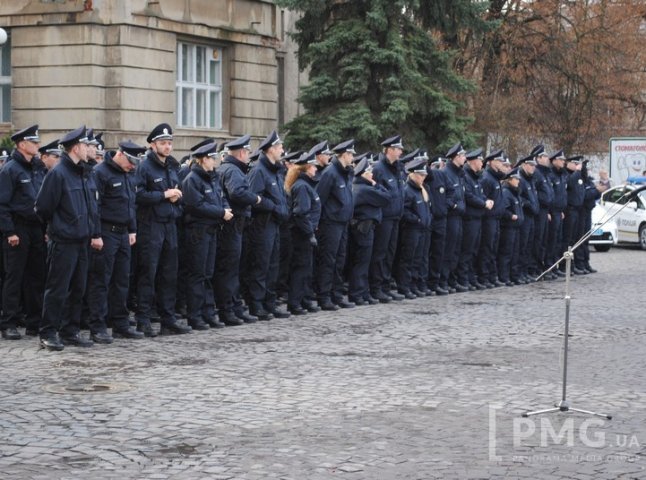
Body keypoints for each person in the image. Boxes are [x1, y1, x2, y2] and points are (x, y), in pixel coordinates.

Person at [35, 126, 98, 351]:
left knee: (78, 288)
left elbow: (91, 206)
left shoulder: (83, 172)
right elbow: (42, 207)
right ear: (75, 147)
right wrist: (58, 228)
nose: (90, 149)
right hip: (63, 241)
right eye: (86, 145)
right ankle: (48, 332)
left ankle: (70, 330)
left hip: (82, 240)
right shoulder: (58, 173)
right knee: (57, 289)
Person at [134, 123, 191, 337]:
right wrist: (163, 195)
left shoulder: (171, 166)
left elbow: (177, 193)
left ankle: (168, 319)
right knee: (148, 273)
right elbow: (138, 196)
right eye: (163, 143)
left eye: (169, 143)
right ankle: (143, 320)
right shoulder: (144, 167)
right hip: (151, 226)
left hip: (170, 224)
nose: (167, 147)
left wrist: (175, 198)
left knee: (169, 274)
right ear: (152, 145)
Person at [87, 140, 147, 342]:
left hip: (123, 233)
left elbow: (131, 204)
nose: (133, 166)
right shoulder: (100, 172)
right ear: (120, 154)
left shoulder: (128, 174)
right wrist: (96, 234)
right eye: (131, 161)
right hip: (105, 231)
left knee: (122, 279)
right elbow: (95, 207)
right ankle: (98, 326)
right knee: (101, 280)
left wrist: (132, 229)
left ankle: (120, 323)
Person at [0, 125, 46, 340]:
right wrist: (9, 231)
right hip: (17, 228)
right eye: (33, 142)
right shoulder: (10, 169)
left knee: (36, 276)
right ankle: (8, 322)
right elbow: (3, 204)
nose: (37, 145)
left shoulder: (37, 167)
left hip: (36, 227)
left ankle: (34, 322)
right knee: (14, 276)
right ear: (21, 145)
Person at [182, 142, 233, 330]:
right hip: (198, 231)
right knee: (197, 274)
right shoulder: (192, 179)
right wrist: (221, 212)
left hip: (211, 230)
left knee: (208, 274)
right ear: (204, 159)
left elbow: (221, 197)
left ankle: (208, 313)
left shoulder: (213, 177)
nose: (216, 161)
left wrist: (225, 208)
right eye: (213, 158)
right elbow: (196, 206)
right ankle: (195, 315)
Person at [213, 135, 264, 325]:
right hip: (232, 224)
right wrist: (256, 199)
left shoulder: (229, 168)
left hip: (235, 224)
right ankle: (228, 309)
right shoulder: (233, 170)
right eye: (247, 152)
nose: (248, 156)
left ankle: (234, 306)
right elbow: (237, 193)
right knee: (229, 269)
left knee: (233, 269)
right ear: (242, 153)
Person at [245, 131, 291, 319]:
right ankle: (256, 305)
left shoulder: (275, 171)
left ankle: (269, 303)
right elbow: (254, 198)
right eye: (280, 147)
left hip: (275, 224)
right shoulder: (258, 171)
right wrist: (272, 207)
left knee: (273, 265)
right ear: (271, 149)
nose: (282, 150)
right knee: (260, 265)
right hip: (262, 224)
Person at [315, 139, 355, 310]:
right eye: (351, 154)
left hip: (343, 223)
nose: (353, 157)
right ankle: (324, 296)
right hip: (330, 224)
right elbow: (319, 199)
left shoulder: (345, 172)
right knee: (328, 260)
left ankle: (336, 295)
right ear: (344, 155)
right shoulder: (330, 173)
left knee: (339, 260)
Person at [347, 157, 390, 305]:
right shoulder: (365, 189)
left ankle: (362, 292)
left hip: (362, 227)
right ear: (363, 174)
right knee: (362, 262)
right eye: (369, 173)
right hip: (364, 228)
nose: (372, 175)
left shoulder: (359, 187)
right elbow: (387, 197)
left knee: (362, 261)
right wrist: (376, 184)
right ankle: (357, 293)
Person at [369, 135, 405, 302]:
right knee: (380, 253)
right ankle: (376, 287)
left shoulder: (398, 168)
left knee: (390, 253)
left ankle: (385, 285)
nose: (400, 152)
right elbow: (375, 194)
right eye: (398, 149)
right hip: (384, 218)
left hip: (396, 217)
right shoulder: (379, 169)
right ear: (389, 149)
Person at [284, 151, 321, 314]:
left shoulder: (305, 185)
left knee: (306, 268)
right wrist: (309, 233)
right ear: (307, 168)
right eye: (313, 166)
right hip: (301, 234)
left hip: (305, 232)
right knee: (300, 268)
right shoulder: (302, 186)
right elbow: (300, 213)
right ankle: (295, 302)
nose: (316, 170)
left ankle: (304, 300)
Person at [395, 156, 432, 297]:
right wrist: (416, 220)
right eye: (421, 175)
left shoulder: (423, 189)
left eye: (424, 175)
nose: (423, 178)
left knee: (419, 258)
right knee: (408, 259)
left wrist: (427, 220)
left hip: (423, 229)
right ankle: (404, 286)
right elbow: (404, 210)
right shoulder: (408, 190)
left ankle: (415, 284)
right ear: (413, 174)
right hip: (412, 229)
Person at [458, 148, 492, 290]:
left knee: (474, 250)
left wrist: (486, 200)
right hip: (470, 218)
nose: (482, 163)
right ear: (473, 161)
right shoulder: (465, 176)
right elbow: (469, 196)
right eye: (480, 160)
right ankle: (463, 278)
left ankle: (471, 277)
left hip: (478, 218)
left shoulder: (476, 177)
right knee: (467, 250)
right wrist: (483, 203)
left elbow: (480, 193)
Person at [477, 149, 506, 288]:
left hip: (496, 218)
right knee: (487, 247)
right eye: (499, 161)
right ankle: (484, 276)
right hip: (488, 219)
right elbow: (484, 198)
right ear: (491, 162)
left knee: (493, 248)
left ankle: (491, 275)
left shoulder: (496, 177)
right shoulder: (487, 178)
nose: (501, 163)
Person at [440, 143, 467, 292]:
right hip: (451, 217)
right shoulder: (446, 173)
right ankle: (443, 280)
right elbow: (445, 197)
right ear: (456, 157)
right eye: (463, 155)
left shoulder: (459, 174)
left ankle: (451, 278)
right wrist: (455, 206)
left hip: (459, 218)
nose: (465, 158)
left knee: (456, 250)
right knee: (449, 249)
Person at [498, 169, 524, 285]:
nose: (518, 181)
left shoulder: (515, 192)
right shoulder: (506, 192)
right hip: (508, 227)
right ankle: (504, 276)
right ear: (510, 180)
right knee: (506, 252)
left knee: (515, 252)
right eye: (516, 179)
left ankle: (514, 275)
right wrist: (511, 216)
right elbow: (503, 209)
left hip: (516, 227)